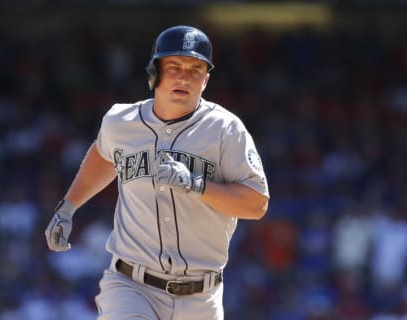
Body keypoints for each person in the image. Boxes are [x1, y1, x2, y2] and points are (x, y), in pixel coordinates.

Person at [45, 25, 269, 320]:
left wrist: (197, 184)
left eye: (195, 69)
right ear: (155, 72)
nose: (184, 77)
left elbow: (256, 203)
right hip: (131, 286)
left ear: (206, 80)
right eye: (174, 66)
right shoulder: (120, 121)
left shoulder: (226, 130)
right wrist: (68, 207)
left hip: (200, 296)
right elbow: (103, 155)